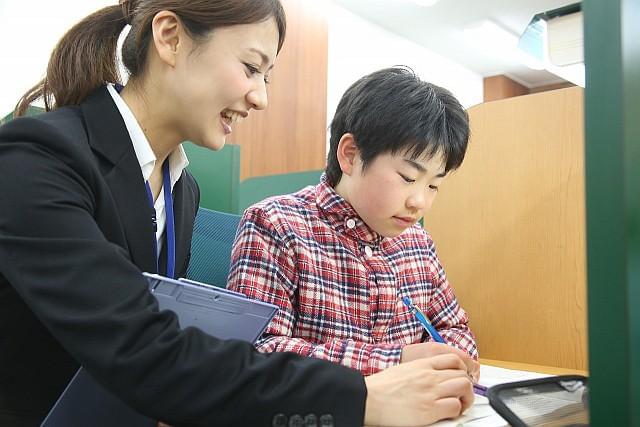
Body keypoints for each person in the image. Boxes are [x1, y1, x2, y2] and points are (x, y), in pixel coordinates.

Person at [0, 1, 474, 426]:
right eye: (251, 67)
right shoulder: (39, 158)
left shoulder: (182, 189)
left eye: (266, 77)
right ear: (170, 37)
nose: (260, 97)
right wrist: (362, 396)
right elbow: (140, 345)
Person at [227, 67, 480, 377]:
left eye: (433, 185)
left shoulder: (418, 245)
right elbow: (257, 349)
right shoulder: (275, 225)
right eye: (408, 177)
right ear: (350, 155)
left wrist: (451, 359)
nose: (420, 202)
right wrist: (395, 361)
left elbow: (455, 328)